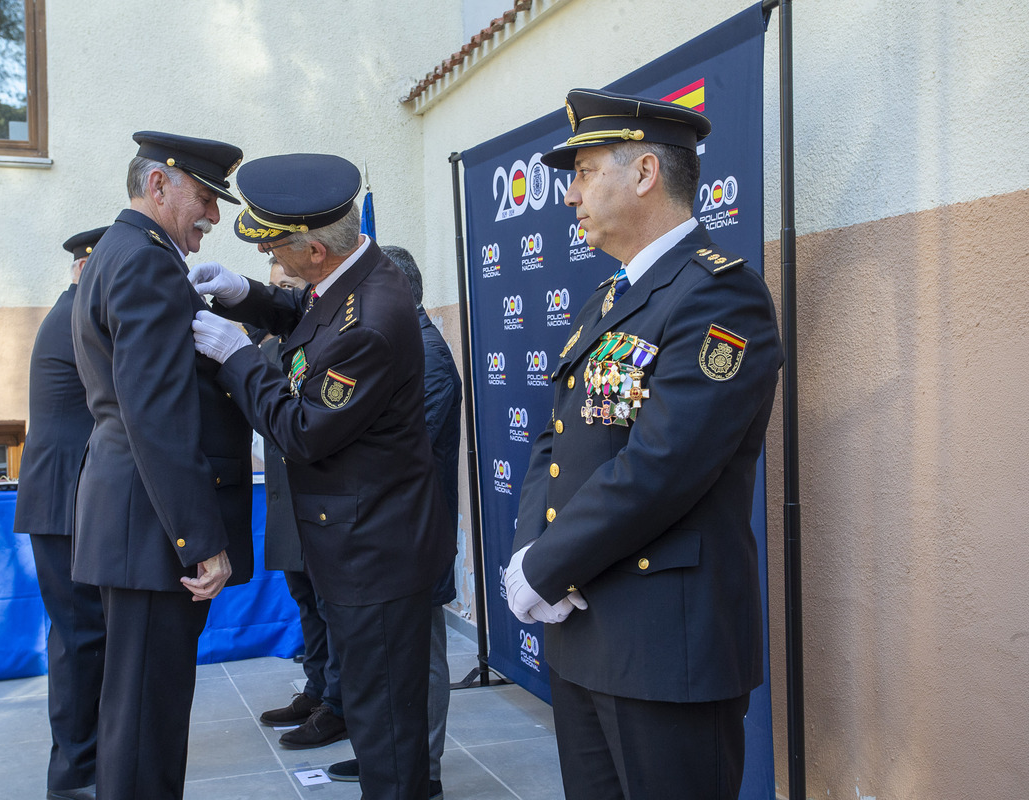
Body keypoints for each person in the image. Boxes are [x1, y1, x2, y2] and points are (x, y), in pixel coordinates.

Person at [502, 88, 782, 799]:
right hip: (584, 631)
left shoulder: (717, 296)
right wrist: (531, 552)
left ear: (646, 174)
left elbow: (662, 466)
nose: (570, 195)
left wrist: (546, 568)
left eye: (586, 171)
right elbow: (558, 437)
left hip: (665, 645)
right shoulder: (612, 299)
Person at [188, 153, 454, 800]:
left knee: (387, 732)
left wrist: (239, 358)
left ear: (312, 247)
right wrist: (245, 294)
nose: (271, 255)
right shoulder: (352, 276)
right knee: (372, 714)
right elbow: (309, 312)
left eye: (276, 246)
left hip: (375, 555)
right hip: (360, 546)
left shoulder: (375, 322)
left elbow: (301, 431)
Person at [70, 131, 254, 800]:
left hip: (132, 516)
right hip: (152, 525)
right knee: (148, 721)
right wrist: (200, 540)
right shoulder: (147, 262)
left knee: (138, 713)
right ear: (158, 186)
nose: (211, 215)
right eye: (204, 198)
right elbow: (158, 415)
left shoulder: (117, 254)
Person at [326, 245, 462, 800]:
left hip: (416, 534)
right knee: (389, 657)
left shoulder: (427, 355)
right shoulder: (407, 346)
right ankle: (388, 752)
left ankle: (422, 768)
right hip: (392, 534)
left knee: (423, 655)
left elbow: (406, 452)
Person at [14, 225, 108, 800]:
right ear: (90, 268)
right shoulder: (79, 317)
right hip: (64, 501)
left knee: (84, 637)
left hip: (67, 498)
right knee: (80, 641)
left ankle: (88, 759)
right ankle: (74, 775)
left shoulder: (74, 312)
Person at [254, 258, 349, 750]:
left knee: (331, 606)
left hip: (318, 498)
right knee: (306, 601)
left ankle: (337, 703)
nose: (282, 302)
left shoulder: (326, 343)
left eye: (289, 289)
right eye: (276, 292)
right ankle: (316, 690)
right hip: (285, 497)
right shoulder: (274, 345)